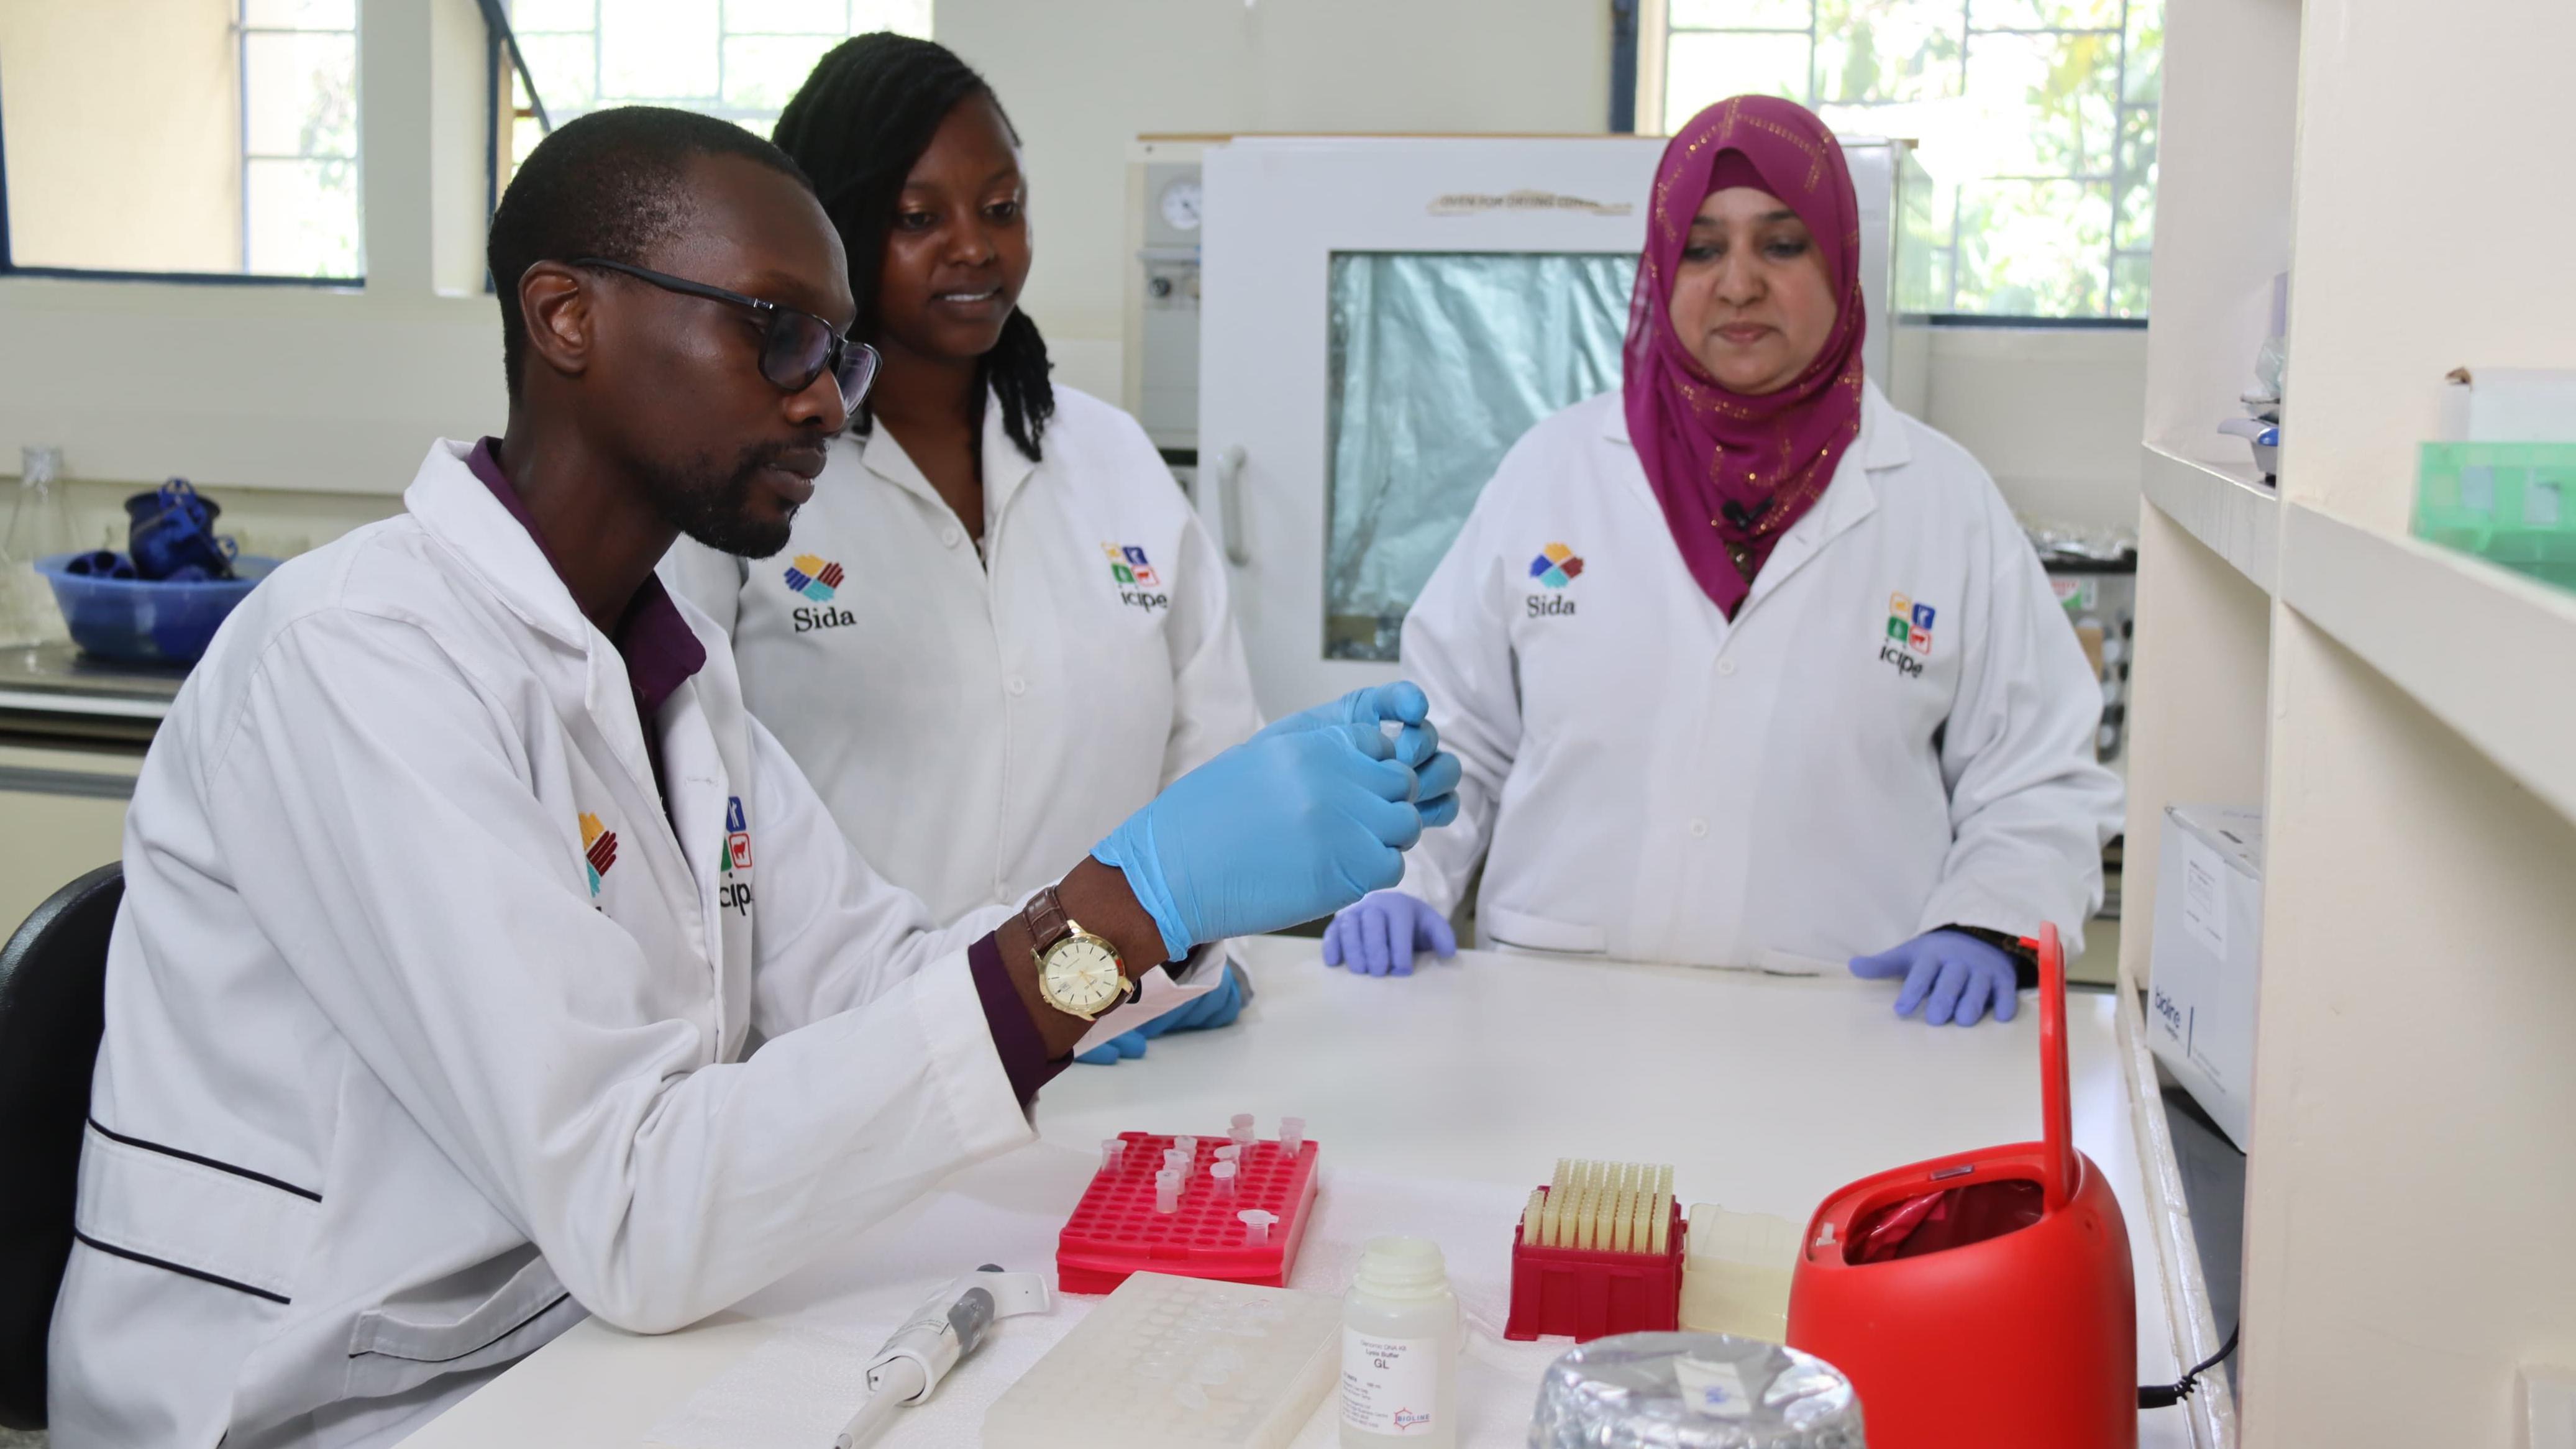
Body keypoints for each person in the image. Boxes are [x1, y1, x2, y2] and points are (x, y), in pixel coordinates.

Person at [45, 107, 1456, 1449]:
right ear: (567, 317)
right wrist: (1115, 913)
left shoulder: (664, 671)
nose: (821, 405)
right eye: (778, 333)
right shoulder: (358, 662)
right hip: (327, 1398)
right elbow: (635, 1198)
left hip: (565, 1337)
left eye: (839, 357)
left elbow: (876, 970)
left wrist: (1162, 922)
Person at [1320, 95, 2119, 1028]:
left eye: (1780, 245)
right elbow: (1451, 732)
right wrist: (1403, 879)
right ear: (1661, 268)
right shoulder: (1555, 472)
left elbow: (2036, 777)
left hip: (1842, 1024)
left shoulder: (1943, 501)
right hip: (1554, 1016)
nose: (1737, 284)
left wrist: (1987, 924)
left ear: (1840, 260)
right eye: (1701, 249)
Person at [664, 35, 1258, 1066]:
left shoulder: (1109, 456)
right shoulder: (750, 475)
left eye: (1000, 207)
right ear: (832, 229)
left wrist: (1198, 944)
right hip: (839, 1059)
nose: (974, 249)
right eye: (916, 218)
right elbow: (687, 788)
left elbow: (1211, 744)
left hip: (1120, 1038)